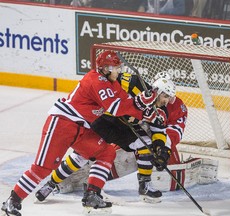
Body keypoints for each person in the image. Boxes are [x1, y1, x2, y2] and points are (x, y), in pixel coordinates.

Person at [1, 50, 162, 216]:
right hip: (62, 124)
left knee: (105, 153)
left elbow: (128, 103)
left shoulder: (112, 83)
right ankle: (12, 202)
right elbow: (116, 108)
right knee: (42, 168)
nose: (119, 71)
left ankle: (92, 195)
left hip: (82, 128)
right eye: (116, 67)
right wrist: (144, 106)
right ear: (105, 68)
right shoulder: (95, 80)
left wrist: (145, 104)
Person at [34, 72, 187, 203]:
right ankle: (51, 183)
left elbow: (158, 129)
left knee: (146, 144)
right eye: (166, 96)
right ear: (157, 91)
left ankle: (145, 186)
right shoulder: (135, 84)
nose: (167, 101)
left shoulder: (161, 110)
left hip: (123, 127)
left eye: (170, 97)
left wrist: (161, 150)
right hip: (104, 119)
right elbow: (113, 82)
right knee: (80, 156)